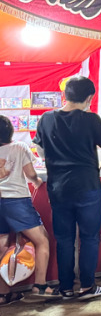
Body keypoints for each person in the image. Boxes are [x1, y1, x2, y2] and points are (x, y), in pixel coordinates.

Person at [33, 76, 101, 301]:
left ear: (65, 94)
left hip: (59, 188)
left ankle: (66, 288)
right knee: (88, 238)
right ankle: (87, 287)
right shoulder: (91, 119)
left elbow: (39, 151)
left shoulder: (46, 118)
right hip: (87, 186)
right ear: (89, 98)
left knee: (64, 239)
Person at [0, 116, 56, 302]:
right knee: (42, 240)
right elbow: (31, 174)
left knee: (1, 246)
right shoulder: (19, 148)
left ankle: (3, 293)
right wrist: (37, 182)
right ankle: (40, 286)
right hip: (16, 201)